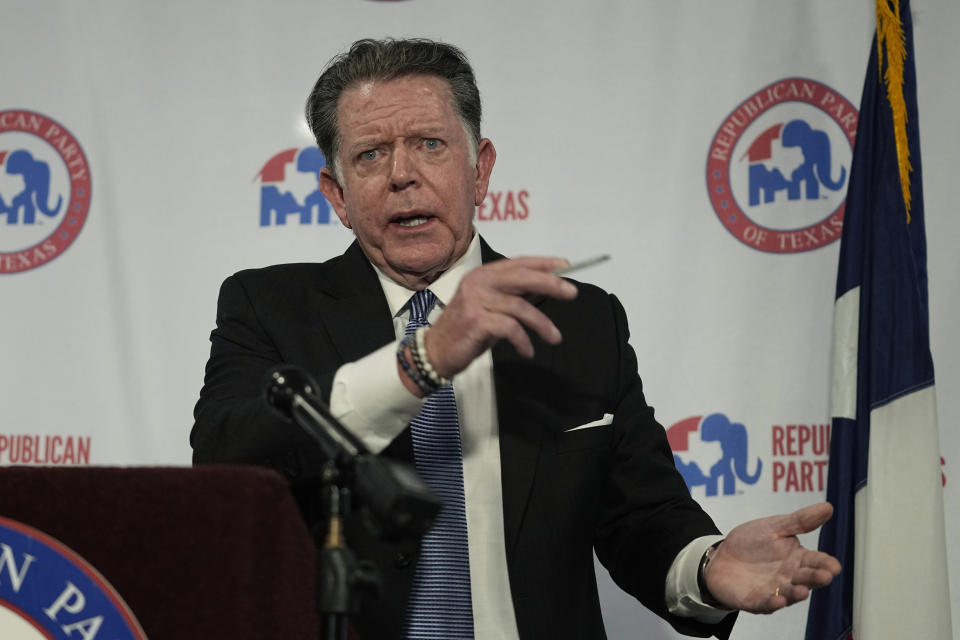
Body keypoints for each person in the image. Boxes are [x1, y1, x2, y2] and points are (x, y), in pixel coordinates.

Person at [191, 38, 840, 640]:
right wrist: (422, 359)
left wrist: (708, 566)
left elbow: (641, 516)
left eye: (430, 144)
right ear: (336, 194)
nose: (402, 174)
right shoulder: (269, 307)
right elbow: (228, 459)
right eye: (369, 155)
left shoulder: (580, 322)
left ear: (482, 169)